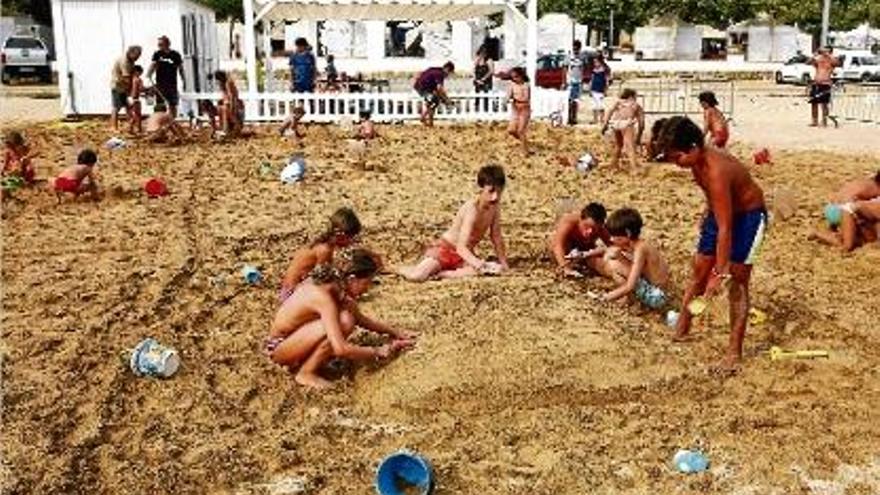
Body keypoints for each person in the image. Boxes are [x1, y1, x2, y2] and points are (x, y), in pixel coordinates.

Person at [654, 116, 767, 374]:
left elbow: (726, 229)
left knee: (737, 281)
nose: (676, 163)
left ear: (693, 148)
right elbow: (717, 207)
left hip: (749, 218)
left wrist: (721, 271)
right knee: (699, 271)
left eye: (677, 157)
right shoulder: (696, 162)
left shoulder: (716, 170)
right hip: (721, 214)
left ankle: (734, 353)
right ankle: (682, 329)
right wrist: (707, 217)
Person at [267, 248, 416, 388]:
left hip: (297, 341)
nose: (367, 289)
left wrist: (395, 332)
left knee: (347, 318)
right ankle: (305, 373)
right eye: (367, 283)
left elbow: (361, 320)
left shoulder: (336, 287)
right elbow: (340, 348)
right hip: (279, 348)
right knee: (343, 323)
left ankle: (310, 364)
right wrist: (378, 351)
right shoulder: (323, 297)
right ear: (352, 279)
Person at [398, 165, 509, 281]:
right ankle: (398, 269)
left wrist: (503, 262)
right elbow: (461, 247)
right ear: (481, 189)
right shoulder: (472, 208)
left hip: (464, 255)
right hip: (446, 249)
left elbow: (496, 237)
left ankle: (443, 274)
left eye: (499, 191)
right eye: (491, 191)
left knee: (485, 271)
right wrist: (477, 263)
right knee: (417, 276)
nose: (495, 197)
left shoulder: (495, 208)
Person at [278, 207, 362, 303]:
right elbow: (321, 279)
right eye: (351, 237)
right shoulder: (324, 250)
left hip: (287, 290)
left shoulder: (320, 244)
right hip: (291, 294)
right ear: (341, 236)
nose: (352, 242)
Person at [600, 208, 670, 309]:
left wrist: (605, 298)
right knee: (617, 261)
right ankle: (628, 298)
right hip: (660, 291)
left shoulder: (640, 250)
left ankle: (629, 299)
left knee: (614, 265)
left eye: (615, 236)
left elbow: (630, 285)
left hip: (657, 297)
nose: (611, 239)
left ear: (627, 234)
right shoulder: (640, 245)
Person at [809, 171, 880, 252]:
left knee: (861, 240)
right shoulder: (875, 190)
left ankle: (826, 233)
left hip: (833, 208)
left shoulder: (866, 183)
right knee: (847, 246)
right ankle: (819, 234)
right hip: (845, 210)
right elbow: (850, 203)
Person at [550, 202, 612, 278]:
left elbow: (612, 245)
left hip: (584, 249)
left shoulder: (601, 229)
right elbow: (558, 245)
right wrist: (565, 267)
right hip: (567, 247)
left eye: (594, 229)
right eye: (586, 226)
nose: (589, 231)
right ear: (581, 219)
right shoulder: (569, 221)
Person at [602, 89, 645, 172]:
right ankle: (634, 168)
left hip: (615, 123)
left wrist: (605, 125)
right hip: (626, 124)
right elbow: (642, 123)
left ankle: (614, 164)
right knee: (630, 147)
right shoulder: (636, 105)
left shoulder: (618, 103)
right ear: (632, 96)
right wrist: (639, 135)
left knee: (618, 145)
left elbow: (609, 112)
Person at [146, 36, 185, 118]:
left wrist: (183, 78)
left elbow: (180, 67)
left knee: (172, 103)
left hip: (172, 82)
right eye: (159, 44)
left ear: (167, 44)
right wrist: (149, 74)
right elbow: (153, 64)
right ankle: (160, 118)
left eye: (161, 44)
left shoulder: (175, 54)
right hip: (160, 82)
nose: (159, 46)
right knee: (160, 102)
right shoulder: (157, 54)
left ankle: (173, 119)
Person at [110, 45, 142, 131]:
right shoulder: (125, 62)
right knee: (116, 107)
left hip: (125, 87)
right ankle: (114, 127)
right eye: (137, 56)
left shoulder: (131, 61)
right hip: (118, 86)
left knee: (128, 107)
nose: (137, 58)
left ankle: (130, 126)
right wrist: (132, 91)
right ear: (131, 53)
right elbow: (127, 78)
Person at [414, 62, 455, 127]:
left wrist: (444, 98)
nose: (448, 75)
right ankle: (423, 117)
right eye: (449, 73)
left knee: (434, 102)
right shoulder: (439, 74)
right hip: (422, 87)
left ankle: (430, 122)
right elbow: (440, 88)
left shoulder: (437, 70)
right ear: (447, 69)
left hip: (426, 86)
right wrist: (447, 99)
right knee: (433, 100)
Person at [809, 47, 840, 127]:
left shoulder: (831, 60)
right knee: (814, 102)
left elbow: (837, 63)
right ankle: (814, 121)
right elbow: (809, 62)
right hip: (816, 83)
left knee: (824, 104)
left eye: (826, 50)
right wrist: (814, 55)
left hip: (825, 84)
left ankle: (824, 120)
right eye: (823, 50)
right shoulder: (819, 60)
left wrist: (828, 55)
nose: (824, 52)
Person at [562, 40, 589, 125]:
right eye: (574, 48)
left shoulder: (583, 57)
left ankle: (574, 117)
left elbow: (585, 67)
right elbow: (564, 69)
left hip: (578, 82)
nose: (575, 50)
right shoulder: (569, 57)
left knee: (576, 101)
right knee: (569, 100)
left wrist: (584, 79)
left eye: (577, 49)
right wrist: (564, 81)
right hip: (570, 81)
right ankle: (569, 117)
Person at [506, 67, 531, 153]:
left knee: (521, 130)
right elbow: (509, 95)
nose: (514, 79)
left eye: (516, 76)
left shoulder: (526, 85)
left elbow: (526, 97)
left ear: (521, 76)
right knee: (511, 130)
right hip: (515, 107)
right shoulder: (512, 85)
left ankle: (525, 150)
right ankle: (523, 142)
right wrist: (506, 99)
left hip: (524, 107)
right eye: (513, 77)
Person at [213, 70, 243, 137]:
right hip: (229, 103)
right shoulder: (223, 84)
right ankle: (222, 127)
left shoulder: (228, 83)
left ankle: (225, 129)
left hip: (234, 104)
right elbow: (225, 96)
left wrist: (232, 108)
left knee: (224, 109)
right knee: (220, 108)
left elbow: (232, 97)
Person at [589, 54, 611, 125]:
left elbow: (607, 81)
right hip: (594, 88)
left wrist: (605, 90)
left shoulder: (604, 70)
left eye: (596, 62)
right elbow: (592, 80)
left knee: (601, 105)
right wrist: (590, 88)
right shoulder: (594, 70)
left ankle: (602, 119)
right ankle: (595, 119)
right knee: (594, 105)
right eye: (594, 62)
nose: (595, 64)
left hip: (600, 89)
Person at [128, 65, 145, 135]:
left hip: (130, 98)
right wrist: (148, 90)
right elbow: (141, 89)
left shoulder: (131, 79)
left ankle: (134, 128)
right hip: (136, 99)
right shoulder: (138, 80)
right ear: (137, 72)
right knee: (137, 115)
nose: (141, 74)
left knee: (135, 114)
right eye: (140, 72)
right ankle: (135, 128)